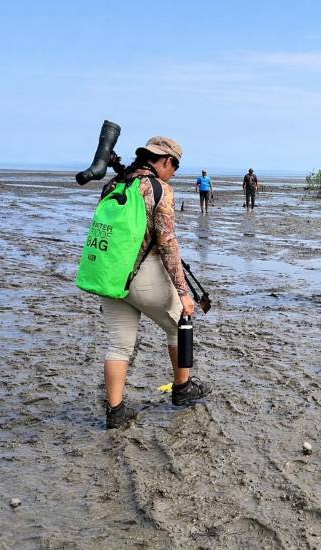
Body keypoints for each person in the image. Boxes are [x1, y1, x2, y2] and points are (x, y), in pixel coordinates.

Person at [100, 136, 211, 429]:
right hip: (144, 273)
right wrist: (183, 292)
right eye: (175, 166)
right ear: (166, 161)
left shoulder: (114, 185)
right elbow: (167, 243)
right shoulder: (159, 189)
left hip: (111, 275)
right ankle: (183, 388)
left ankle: (115, 412)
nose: (173, 173)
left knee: (118, 345)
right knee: (178, 325)